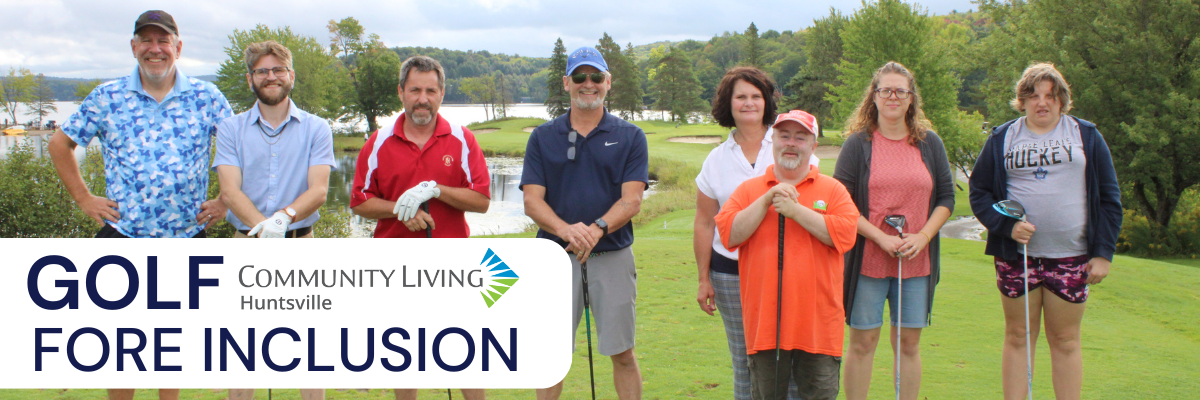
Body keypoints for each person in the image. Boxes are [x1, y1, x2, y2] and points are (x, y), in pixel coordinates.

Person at [46, 9, 232, 400]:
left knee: (171, 341)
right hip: (125, 235)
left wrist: (225, 199)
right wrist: (83, 197)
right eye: (146, 41)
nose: (155, 49)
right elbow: (60, 143)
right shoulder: (107, 96)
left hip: (186, 235)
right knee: (122, 344)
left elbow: (238, 150)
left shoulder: (207, 96)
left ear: (178, 48)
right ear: (134, 48)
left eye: (163, 41)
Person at [969, 63, 1121, 400]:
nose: (1042, 103)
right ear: (1022, 100)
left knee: (1065, 340)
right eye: (1034, 95)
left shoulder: (1086, 135)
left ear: (1062, 101)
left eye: (1050, 96)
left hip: (1071, 257)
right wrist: (1006, 226)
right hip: (1016, 257)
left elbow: (1110, 199)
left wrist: (1103, 253)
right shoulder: (1002, 137)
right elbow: (979, 193)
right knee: (1018, 336)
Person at [349, 55, 491, 400]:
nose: (422, 98)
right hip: (394, 265)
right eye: (415, 90)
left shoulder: (462, 139)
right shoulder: (379, 141)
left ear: (442, 93)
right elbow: (359, 201)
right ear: (401, 92)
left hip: (453, 264)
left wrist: (438, 190)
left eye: (430, 90)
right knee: (404, 352)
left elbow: (482, 200)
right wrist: (401, 210)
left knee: (462, 350)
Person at [521, 46, 649, 400]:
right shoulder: (543, 137)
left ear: (608, 82)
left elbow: (632, 199)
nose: (587, 84)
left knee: (622, 352)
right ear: (567, 83)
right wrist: (566, 230)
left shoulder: (630, 136)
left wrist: (595, 230)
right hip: (554, 259)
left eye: (595, 77)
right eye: (580, 77)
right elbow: (532, 200)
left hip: (612, 255)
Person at [215, 40, 333, 399]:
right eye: (262, 71)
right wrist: (263, 230)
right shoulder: (230, 128)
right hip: (245, 246)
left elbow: (319, 190)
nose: (271, 77)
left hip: (301, 244)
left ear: (291, 75)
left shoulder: (316, 127)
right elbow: (230, 191)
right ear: (251, 78)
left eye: (278, 70)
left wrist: (281, 220)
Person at [714, 110, 858, 400]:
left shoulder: (834, 190)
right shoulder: (749, 190)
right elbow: (730, 234)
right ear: (774, 141)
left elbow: (845, 235)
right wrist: (766, 200)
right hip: (765, 326)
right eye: (784, 136)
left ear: (813, 146)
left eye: (800, 137)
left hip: (818, 327)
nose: (791, 143)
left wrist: (796, 211)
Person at [832, 61, 954, 400]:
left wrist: (923, 236)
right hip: (868, 261)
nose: (893, 96)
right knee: (863, 342)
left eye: (901, 91)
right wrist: (879, 237)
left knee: (908, 343)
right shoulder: (858, 145)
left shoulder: (930, 144)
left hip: (916, 263)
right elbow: (841, 203)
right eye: (885, 90)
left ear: (911, 98)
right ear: (873, 96)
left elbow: (946, 198)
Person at [694, 67, 817, 400]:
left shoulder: (787, 143)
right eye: (740, 97)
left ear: (766, 101)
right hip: (730, 274)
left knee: (786, 359)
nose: (749, 103)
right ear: (728, 104)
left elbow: (811, 210)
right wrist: (703, 278)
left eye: (755, 96)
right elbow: (705, 222)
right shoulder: (715, 160)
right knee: (745, 362)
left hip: (784, 270)